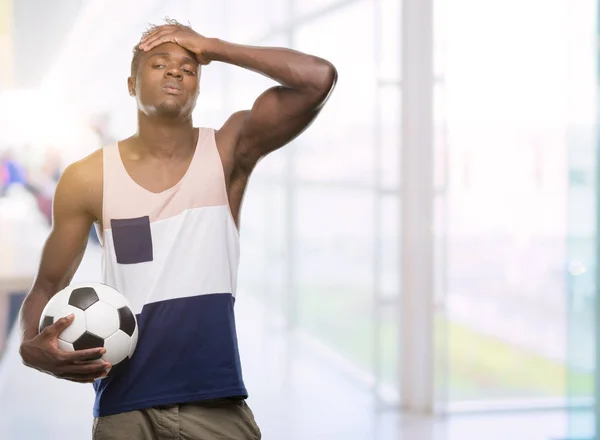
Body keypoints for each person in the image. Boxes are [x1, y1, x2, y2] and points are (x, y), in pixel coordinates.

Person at [17, 18, 337, 440]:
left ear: (199, 85)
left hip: (217, 404)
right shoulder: (87, 177)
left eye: (189, 67)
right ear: (131, 84)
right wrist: (29, 344)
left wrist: (213, 46)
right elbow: (49, 283)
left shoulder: (228, 149)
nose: (175, 71)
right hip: (124, 407)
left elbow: (319, 79)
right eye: (159, 63)